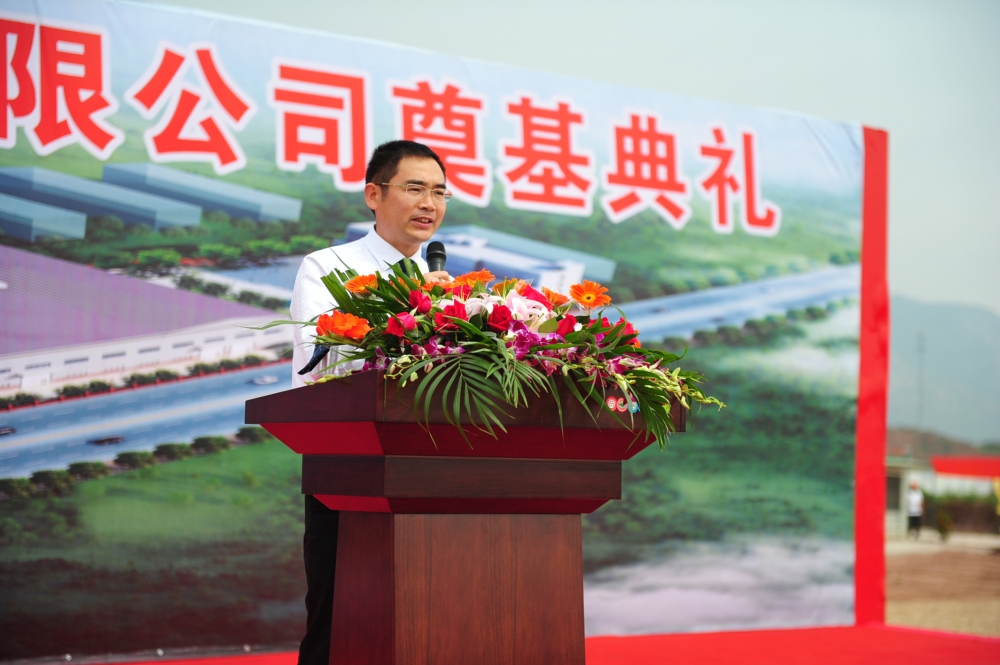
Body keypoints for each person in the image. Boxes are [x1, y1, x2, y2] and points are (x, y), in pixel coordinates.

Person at [289, 140, 452, 665]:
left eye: (440, 193)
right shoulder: (328, 267)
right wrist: (411, 313)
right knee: (341, 621)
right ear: (373, 195)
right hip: (349, 466)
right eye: (415, 188)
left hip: (430, 468)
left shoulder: (443, 287)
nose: (429, 203)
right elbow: (317, 362)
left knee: (425, 622)